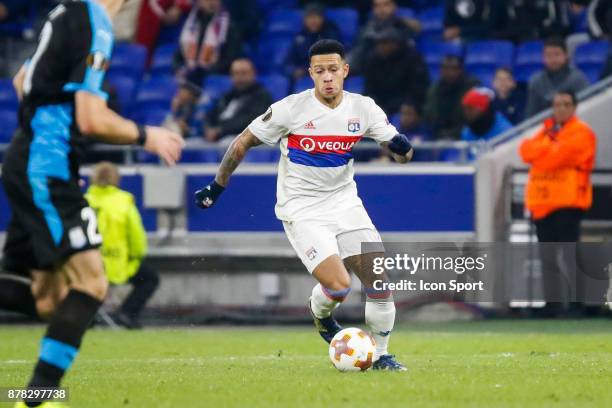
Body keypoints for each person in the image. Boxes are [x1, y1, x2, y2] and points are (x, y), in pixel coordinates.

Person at [0, 1, 182, 406]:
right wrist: (145, 135)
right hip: (45, 166)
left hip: (33, 160)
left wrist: (47, 128)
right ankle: (37, 398)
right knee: (91, 284)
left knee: (51, 301)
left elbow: (20, 80)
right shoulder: (93, 20)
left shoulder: (63, 14)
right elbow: (90, 119)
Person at [194, 39, 414, 371]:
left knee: (379, 281)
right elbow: (242, 142)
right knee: (340, 286)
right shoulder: (290, 109)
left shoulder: (364, 108)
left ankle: (382, 354)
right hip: (302, 209)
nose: (327, 77)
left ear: (345, 71)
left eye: (333, 70)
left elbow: (403, 155)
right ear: (311, 73)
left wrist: (401, 147)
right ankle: (321, 314)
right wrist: (217, 185)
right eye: (320, 71)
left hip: (345, 203)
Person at [519, 90, 596, 317]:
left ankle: (576, 304)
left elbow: (562, 155)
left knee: (569, 254)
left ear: (574, 107)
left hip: (568, 202)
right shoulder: (546, 130)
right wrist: (549, 150)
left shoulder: (582, 132)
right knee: (547, 257)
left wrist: (544, 153)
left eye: (565, 104)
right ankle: (552, 304)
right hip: (542, 202)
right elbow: (525, 150)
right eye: (557, 104)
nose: (560, 108)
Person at [85, 162, 159, 329]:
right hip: (118, 264)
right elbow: (136, 237)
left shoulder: (83, 201)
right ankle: (127, 314)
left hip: (88, 266)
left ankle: (87, 315)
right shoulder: (124, 202)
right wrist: (136, 256)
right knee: (150, 279)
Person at [171, 0, 243, 135]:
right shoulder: (190, 24)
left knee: (192, 91)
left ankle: (188, 124)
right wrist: (180, 69)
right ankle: (180, 125)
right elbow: (178, 54)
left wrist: (203, 72)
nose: (210, 2)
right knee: (178, 89)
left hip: (217, 76)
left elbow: (231, 58)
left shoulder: (228, 24)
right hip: (193, 76)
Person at [362, 27, 429, 115]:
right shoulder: (373, 59)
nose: (380, 47)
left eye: (384, 43)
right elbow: (369, 88)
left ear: (395, 44)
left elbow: (418, 88)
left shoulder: (413, 59)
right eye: (378, 43)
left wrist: (410, 104)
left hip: (404, 105)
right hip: (381, 105)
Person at [204, 58, 272, 141]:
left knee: (227, 143)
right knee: (193, 143)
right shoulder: (228, 96)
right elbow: (211, 114)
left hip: (243, 139)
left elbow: (249, 121)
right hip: (219, 136)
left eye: (244, 73)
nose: (240, 77)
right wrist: (208, 128)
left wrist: (221, 130)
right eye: (236, 73)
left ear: (253, 74)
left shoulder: (261, 96)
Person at [349, 0, 420, 74]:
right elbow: (357, 55)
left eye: (386, 5)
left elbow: (417, 29)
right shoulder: (367, 30)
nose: (381, 9)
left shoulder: (403, 26)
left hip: (402, 73)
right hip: (374, 73)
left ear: (394, 6)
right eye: (377, 6)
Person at [525, 37, 589, 118]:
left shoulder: (577, 79)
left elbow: (587, 108)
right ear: (543, 58)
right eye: (549, 55)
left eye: (557, 54)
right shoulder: (535, 82)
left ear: (566, 55)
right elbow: (531, 116)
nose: (553, 59)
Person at [423, 55, 479, 140]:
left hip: (464, 136)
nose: (449, 72)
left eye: (453, 68)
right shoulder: (434, 89)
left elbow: (473, 118)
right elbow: (429, 116)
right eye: (445, 68)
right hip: (437, 137)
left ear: (460, 70)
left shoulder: (472, 87)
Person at [286, 3, 341, 82]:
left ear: (323, 19)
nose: (313, 21)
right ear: (304, 20)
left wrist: (305, 70)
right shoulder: (300, 36)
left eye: (316, 17)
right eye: (309, 17)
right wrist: (293, 70)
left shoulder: (331, 35)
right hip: (303, 76)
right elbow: (288, 60)